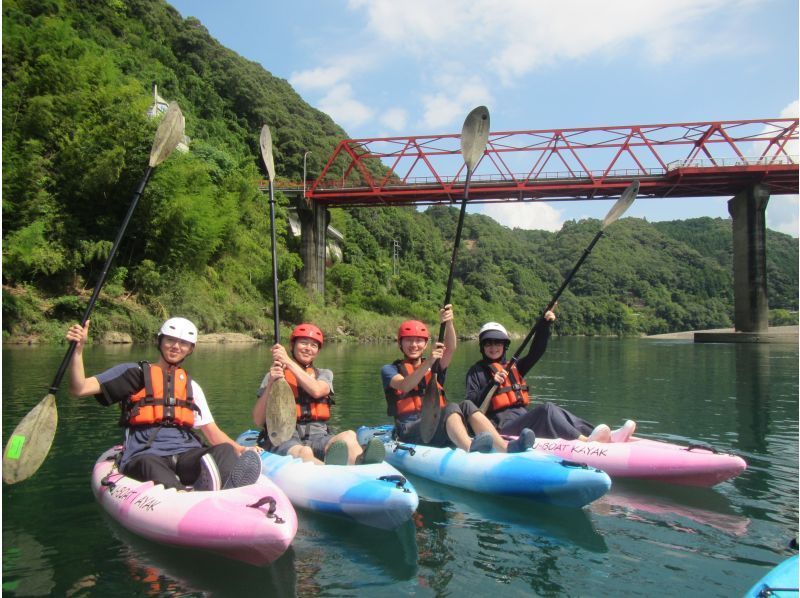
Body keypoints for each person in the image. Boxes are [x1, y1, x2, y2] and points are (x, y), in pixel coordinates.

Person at [66, 317, 263, 491]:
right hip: (145, 453)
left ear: (190, 349)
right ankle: (181, 494)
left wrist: (240, 449)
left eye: (183, 343)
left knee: (224, 451)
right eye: (170, 340)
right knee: (149, 464)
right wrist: (78, 350)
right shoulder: (134, 374)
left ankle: (229, 491)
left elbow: (211, 432)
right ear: (160, 341)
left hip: (186, 454)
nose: (176, 346)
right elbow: (79, 388)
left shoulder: (191, 386)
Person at [381, 305, 535, 453]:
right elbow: (405, 385)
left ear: (426, 343)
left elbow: (451, 348)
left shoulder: (435, 367)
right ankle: (469, 447)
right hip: (410, 430)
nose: (414, 345)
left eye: (418, 340)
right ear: (400, 343)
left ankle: (505, 447)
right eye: (408, 340)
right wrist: (429, 362)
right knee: (450, 407)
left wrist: (448, 323)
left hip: (436, 426)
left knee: (467, 405)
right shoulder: (390, 369)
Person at [464, 316, 636, 443]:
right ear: (482, 347)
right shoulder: (476, 371)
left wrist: (545, 325)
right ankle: (585, 441)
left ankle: (607, 436)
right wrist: (491, 383)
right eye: (488, 343)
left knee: (557, 410)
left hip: (522, 419)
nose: (493, 347)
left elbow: (536, 352)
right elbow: (471, 407)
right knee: (546, 410)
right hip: (502, 429)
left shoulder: (514, 367)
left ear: (504, 345)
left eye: (498, 343)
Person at [253, 323, 385, 466]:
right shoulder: (274, 375)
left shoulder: (324, 374)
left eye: (313, 345)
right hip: (285, 436)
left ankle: (361, 464)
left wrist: (288, 362)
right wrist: (271, 383)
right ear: (292, 346)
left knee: (349, 436)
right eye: (303, 343)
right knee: (304, 453)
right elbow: (258, 420)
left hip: (319, 435)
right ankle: (331, 473)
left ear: (318, 351)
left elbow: (317, 391)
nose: (308, 348)